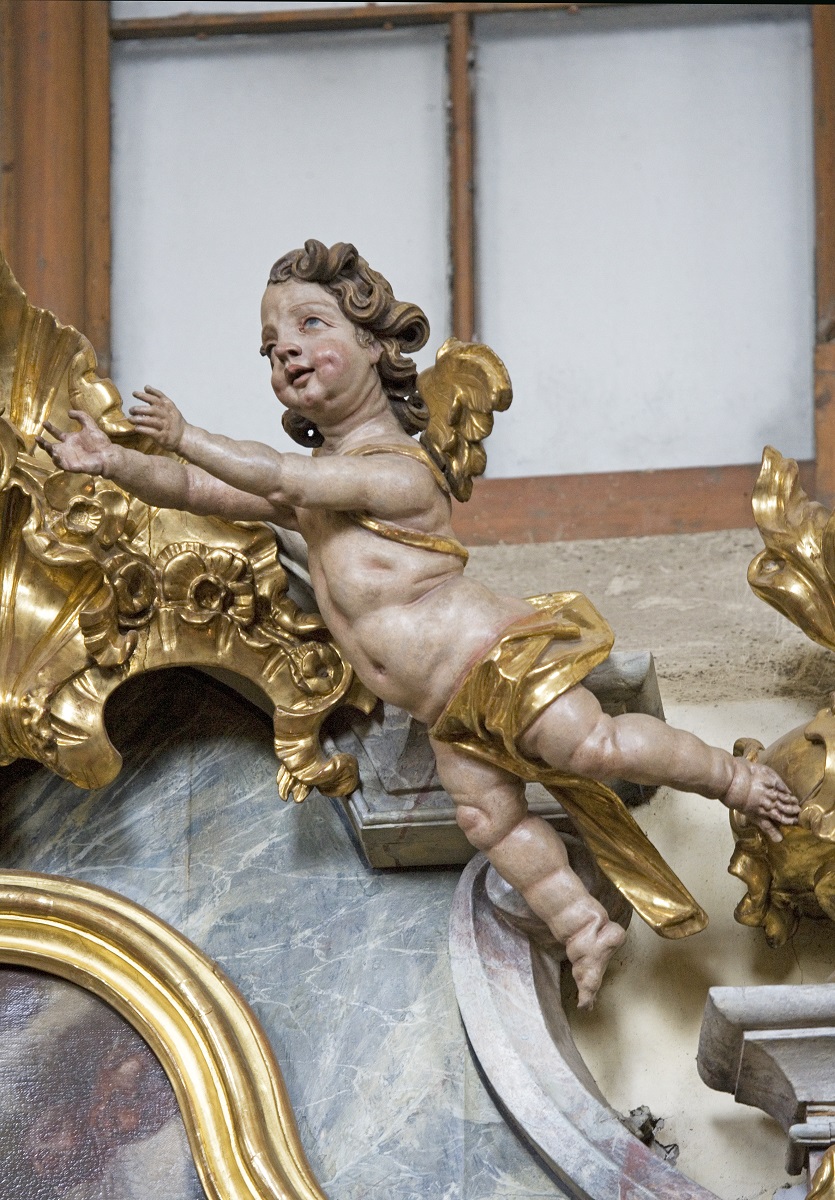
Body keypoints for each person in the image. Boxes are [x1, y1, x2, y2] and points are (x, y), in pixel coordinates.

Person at [38, 240, 799, 1008]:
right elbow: (197, 489)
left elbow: (274, 471)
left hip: (493, 661)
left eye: (309, 325)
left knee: (592, 745)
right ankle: (579, 925)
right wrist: (114, 463)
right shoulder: (313, 493)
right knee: (487, 819)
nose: (286, 351)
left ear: (372, 345)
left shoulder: (396, 467)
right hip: (443, 709)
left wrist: (185, 431)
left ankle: (738, 780)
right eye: (270, 347)